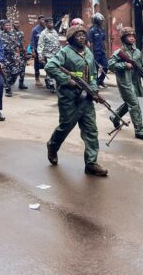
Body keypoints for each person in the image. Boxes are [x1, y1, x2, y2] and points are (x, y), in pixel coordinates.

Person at [45, 25, 108, 176]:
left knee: (91, 131)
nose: (81, 38)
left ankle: (91, 163)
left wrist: (94, 91)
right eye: (78, 35)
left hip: (86, 98)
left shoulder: (88, 53)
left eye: (83, 35)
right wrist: (67, 80)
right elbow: (50, 66)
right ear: (71, 38)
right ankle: (52, 146)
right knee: (66, 126)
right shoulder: (65, 52)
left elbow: (92, 74)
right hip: (69, 98)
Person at [108, 27, 143, 140]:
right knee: (134, 104)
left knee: (129, 104)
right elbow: (110, 64)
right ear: (123, 38)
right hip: (125, 82)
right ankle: (140, 130)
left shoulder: (137, 52)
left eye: (133, 36)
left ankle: (114, 117)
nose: (131, 38)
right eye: (128, 36)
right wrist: (124, 65)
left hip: (135, 82)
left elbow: (142, 65)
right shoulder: (119, 52)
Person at [37, 17, 61, 94]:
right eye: (49, 23)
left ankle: (50, 82)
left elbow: (57, 42)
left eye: (52, 23)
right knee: (50, 70)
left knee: (57, 70)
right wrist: (40, 55)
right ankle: (51, 86)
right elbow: (40, 45)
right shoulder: (43, 33)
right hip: (47, 55)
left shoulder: (54, 31)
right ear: (46, 24)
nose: (51, 24)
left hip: (56, 55)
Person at [0, 20, 20, 97]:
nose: (8, 27)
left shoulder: (13, 34)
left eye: (9, 25)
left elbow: (17, 45)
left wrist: (17, 55)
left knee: (16, 72)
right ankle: (8, 89)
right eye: (6, 25)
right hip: (4, 58)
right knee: (6, 74)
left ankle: (9, 84)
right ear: (2, 26)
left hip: (13, 57)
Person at [88, 13, 108, 88]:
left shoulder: (102, 30)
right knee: (95, 69)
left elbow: (103, 41)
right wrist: (91, 53)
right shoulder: (92, 30)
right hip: (95, 52)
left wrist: (105, 50)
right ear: (97, 20)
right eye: (101, 20)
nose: (102, 22)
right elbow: (90, 43)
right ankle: (95, 83)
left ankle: (100, 80)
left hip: (102, 52)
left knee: (106, 66)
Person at [12, 21, 28, 90]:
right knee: (14, 69)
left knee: (22, 69)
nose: (17, 25)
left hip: (21, 53)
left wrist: (25, 51)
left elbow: (23, 42)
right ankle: (9, 83)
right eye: (15, 23)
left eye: (18, 23)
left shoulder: (21, 33)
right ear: (13, 24)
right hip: (14, 54)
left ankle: (21, 83)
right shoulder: (11, 33)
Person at [30, 15, 46, 86]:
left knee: (47, 65)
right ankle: (37, 79)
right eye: (41, 19)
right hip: (38, 51)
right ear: (39, 20)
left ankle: (48, 79)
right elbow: (32, 41)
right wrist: (33, 51)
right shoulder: (35, 30)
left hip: (46, 51)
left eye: (44, 19)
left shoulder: (47, 29)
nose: (43, 21)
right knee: (37, 65)